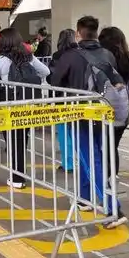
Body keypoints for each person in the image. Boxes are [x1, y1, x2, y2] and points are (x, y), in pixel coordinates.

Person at [49, 16, 122, 217]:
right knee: (90, 155)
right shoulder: (108, 54)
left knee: (90, 158)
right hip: (104, 113)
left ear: (78, 33)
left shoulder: (70, 56)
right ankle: (84, 197)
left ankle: (112, 206)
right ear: (96, 32)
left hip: (79, 114)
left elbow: (55, 82)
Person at [0, 28, 50, 188]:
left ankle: (17, 178)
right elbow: (46, 71)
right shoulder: (28, 56)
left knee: (12, 141)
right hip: (27, 105)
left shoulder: (0, 60)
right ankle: (19, 175)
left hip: (8, 107)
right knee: (22, 140)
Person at [97, 26, 129, 165]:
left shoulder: (102, 60)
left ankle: (105, 177)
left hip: (105, 107)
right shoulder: (127, 59)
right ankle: (112, 176)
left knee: (103, 146)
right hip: (122, 108)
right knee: (113, 146)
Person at [51, 28, 78, 172]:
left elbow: (54, 78)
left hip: (61, 99)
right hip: (80, 98)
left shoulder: (57, 56)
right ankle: (82, 161)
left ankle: (67, 163)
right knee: (77, 132)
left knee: (63, 132)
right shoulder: (81, 54)